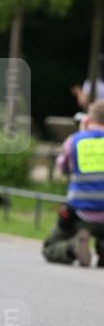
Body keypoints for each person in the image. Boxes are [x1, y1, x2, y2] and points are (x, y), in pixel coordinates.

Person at [42, 99, 104, 267]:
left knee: (50, 247)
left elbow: (62, 169)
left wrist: (82, 132)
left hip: (80, 214)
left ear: (88, 119)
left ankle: (72, 247)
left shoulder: (75, 141)